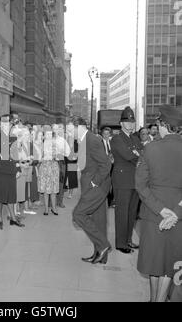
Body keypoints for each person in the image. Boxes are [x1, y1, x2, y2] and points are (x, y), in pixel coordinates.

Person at [135, 105, 182, 302]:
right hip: (178, 218)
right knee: (169, 265)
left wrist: (161, 210)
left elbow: (140, 185)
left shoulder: (151, 148)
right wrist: (175, 213)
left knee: (154, 262)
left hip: (153, 214)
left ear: (163, 125)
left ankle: (154, 299)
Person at [73, 117, 112, 265]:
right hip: (93, 185)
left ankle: (103, 245)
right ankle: (99, 255)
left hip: (96, 186)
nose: (70, 132)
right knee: (99, 221)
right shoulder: (85, 139)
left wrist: (95, 181)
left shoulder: (92, 140)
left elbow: (106, 164)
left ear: (80, 127)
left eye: (71, 129)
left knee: (78, 214)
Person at [110, 107, 142, 254]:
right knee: (122, 212)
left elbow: (141, 154)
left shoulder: (135, 138)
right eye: (127, 122)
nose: (130, 124)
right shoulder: (116, 138)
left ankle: (128, 239)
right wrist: (136, 154)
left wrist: (136, 154)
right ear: (121, 123)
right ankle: (121, 243)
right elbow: (128, 155)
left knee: (132, 212)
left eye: (132, 122)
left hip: (135, 180)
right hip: (122, 181)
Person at [0, 114, 25, 230]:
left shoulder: (14, 138)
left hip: (11, 169)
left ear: (11, 124)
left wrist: (18, 169)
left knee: (11, 195)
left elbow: (16, 155)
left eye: (6, 123)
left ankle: (13, 219)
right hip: (0, 169)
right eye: (2, 123)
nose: (4, 125)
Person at [38, 125, 60, 216]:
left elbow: (60, 156)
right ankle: (46, 209)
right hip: (45, 168)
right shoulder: (41, 143)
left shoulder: (56, 143)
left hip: (54, 167)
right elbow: (38, 158)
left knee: (53, 189)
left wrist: (55, 156)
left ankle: (54, 208)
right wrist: (42, 158)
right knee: (46, 190)